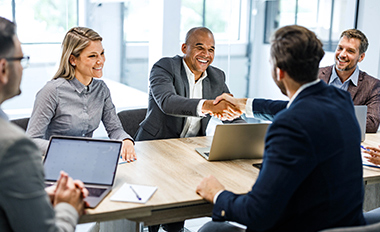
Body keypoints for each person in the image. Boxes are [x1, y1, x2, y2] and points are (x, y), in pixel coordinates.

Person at [196, 25, 365, 232]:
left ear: (279, 71)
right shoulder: (340, 100)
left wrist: (217, 194)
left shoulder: (289, 125)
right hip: (346, 226)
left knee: (211, 229)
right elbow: (295, 107)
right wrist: (244, 105)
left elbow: (257, 213)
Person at [135, 27, 245, 232]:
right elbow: (168, 102)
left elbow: (233, 114)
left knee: (177, 214)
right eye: (199, 47)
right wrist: (208, 106)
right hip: (154, 148)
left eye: (211, 49)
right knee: (152, 215)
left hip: (187, 151)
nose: (206, 54)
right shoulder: (165, 67)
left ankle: (173, 227)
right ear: (185, 48)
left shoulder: (217, 76)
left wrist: (249, 136)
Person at [0, 16, 88, 232]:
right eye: (21, 59)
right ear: (3, 69)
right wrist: (67, 207)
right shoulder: (14, 147)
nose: (23, 67)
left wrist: (33, 195)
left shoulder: (101, 90)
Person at [26, 27, 136, 162]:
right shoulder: (52, 91)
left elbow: (115, 129)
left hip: (85, 160)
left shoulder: (101, 89)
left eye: (102, 53)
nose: (101, 61)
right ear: (73, 59)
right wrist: (71, 149)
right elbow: (32, 141)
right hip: (56, 162)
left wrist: (125, 140)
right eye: (92, 56)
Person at [319, 29, 380, 133]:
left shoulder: (372, 86)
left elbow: (370, 124)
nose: (342, 54)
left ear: (361, 57)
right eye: (340, 48)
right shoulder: (316, 76)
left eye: (350, 51)